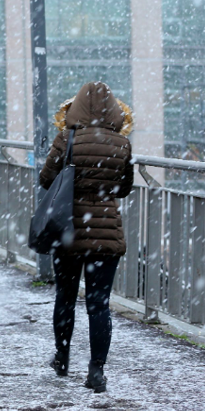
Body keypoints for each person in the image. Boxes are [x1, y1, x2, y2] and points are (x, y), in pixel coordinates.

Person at [39, 81, 134, 394]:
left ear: (76, 106)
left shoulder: (68, 137)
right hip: (105, 236)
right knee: (99, 305)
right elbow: (123, 188)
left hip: (67, 231)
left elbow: (46, 179)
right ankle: (96, 371)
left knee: (66, 297)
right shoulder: (122, 144)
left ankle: (62, 358)